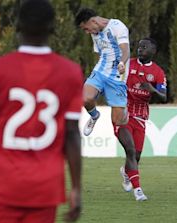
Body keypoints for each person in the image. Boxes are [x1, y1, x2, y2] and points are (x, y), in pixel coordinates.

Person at [0, 0, 83, 223]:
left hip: (2, 181)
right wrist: (76, 187)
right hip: (46, 187)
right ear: (53, 28)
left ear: (17, 26)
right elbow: (72, 134)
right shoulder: (71, 72)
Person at [75, 8, 147, 201]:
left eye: (86, 28)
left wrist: (123, 63)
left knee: (118, 122)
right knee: (84, 98)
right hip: (100, 73)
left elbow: (125, 50)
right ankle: (94, 115)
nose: (87, 32)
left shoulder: (117, 27)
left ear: (92, 21)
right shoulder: (95, 33)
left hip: (117, 79)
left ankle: (127, 167)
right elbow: (100, 55)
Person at [120, 38, 167, 193]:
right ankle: (137, 189)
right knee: (130, 150)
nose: (140, 49)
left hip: (140, 115)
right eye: (139, 47)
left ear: (153, 51)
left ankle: (127, 172)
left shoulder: (158, 72)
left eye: (144, 47)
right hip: (124, 112)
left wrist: (153, 90)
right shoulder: (128, 64)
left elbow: (164, 97)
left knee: (137, 155)